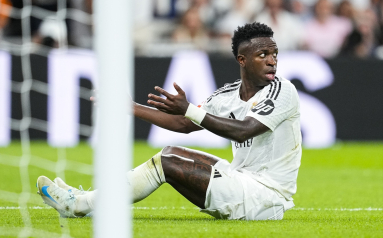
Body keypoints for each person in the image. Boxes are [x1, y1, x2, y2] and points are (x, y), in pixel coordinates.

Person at [37, 22, 302, 221]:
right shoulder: (227, 95)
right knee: (167, 156)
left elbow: (245, 131)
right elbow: (183, 124)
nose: (272, 61)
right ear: (242, 60)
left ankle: (79, 205)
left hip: (266, 196)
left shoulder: (283, 90)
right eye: (263, 54)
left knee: (166, 161)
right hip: (242, 182)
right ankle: (83, 201)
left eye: (274, 54)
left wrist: (188, 109)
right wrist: (132, 108)